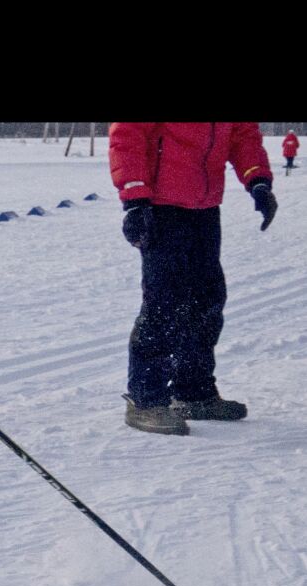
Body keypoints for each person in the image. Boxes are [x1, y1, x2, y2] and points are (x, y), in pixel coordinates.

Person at [109, 122, 277, 436]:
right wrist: (134, 200)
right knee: (164, 303)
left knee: (207, 300)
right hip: (160, 206)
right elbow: (127, 136)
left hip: (205, 206)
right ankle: (145, 399)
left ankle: (193, 392)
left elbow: (242, 136)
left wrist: (258, 180)